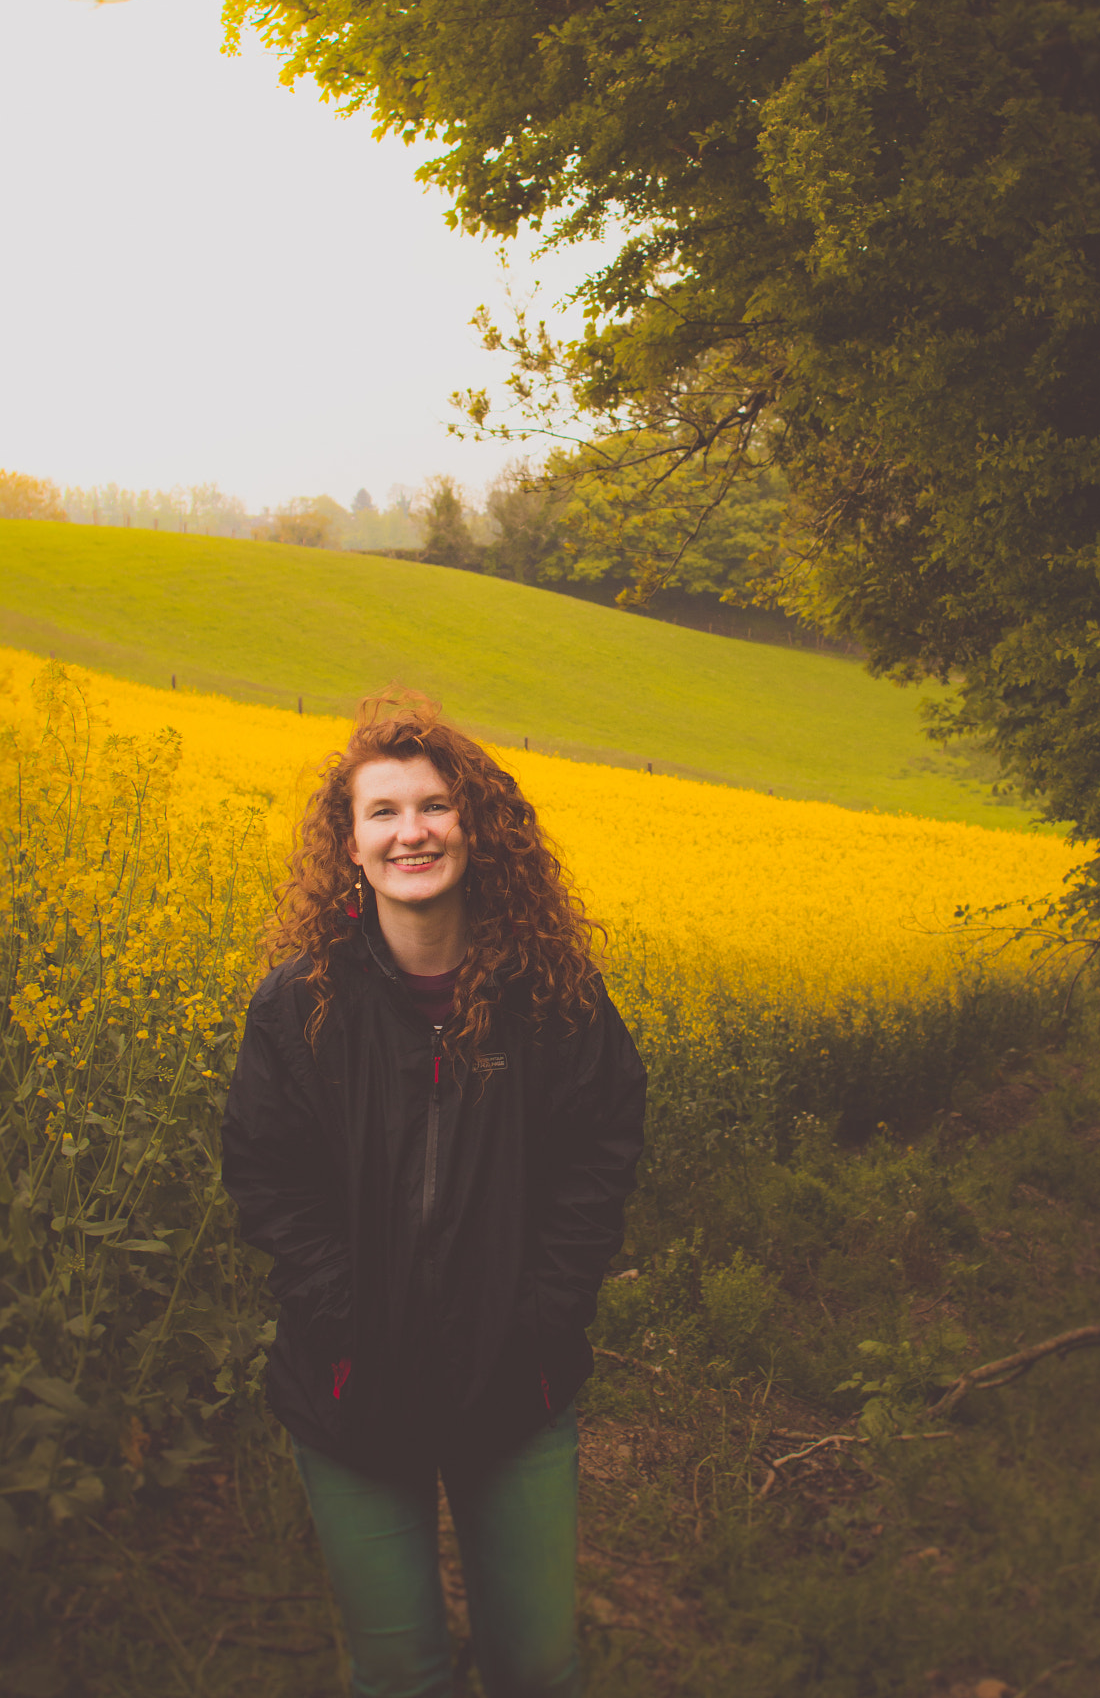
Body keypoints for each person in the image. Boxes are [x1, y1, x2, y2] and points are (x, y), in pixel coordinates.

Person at [220, 692, 647, 1698]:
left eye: (435, 804)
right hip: (351, 1386)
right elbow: (268, 1176)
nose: (411, 828)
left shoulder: (557, 995)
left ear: (474, 827)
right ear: (351, 848)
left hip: (519, 1383)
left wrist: (539, 1312)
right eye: (383, 811)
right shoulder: (298, 1004)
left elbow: (601, 1152)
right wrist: (351, 1320)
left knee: (539, 1667)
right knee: (400, 1671)